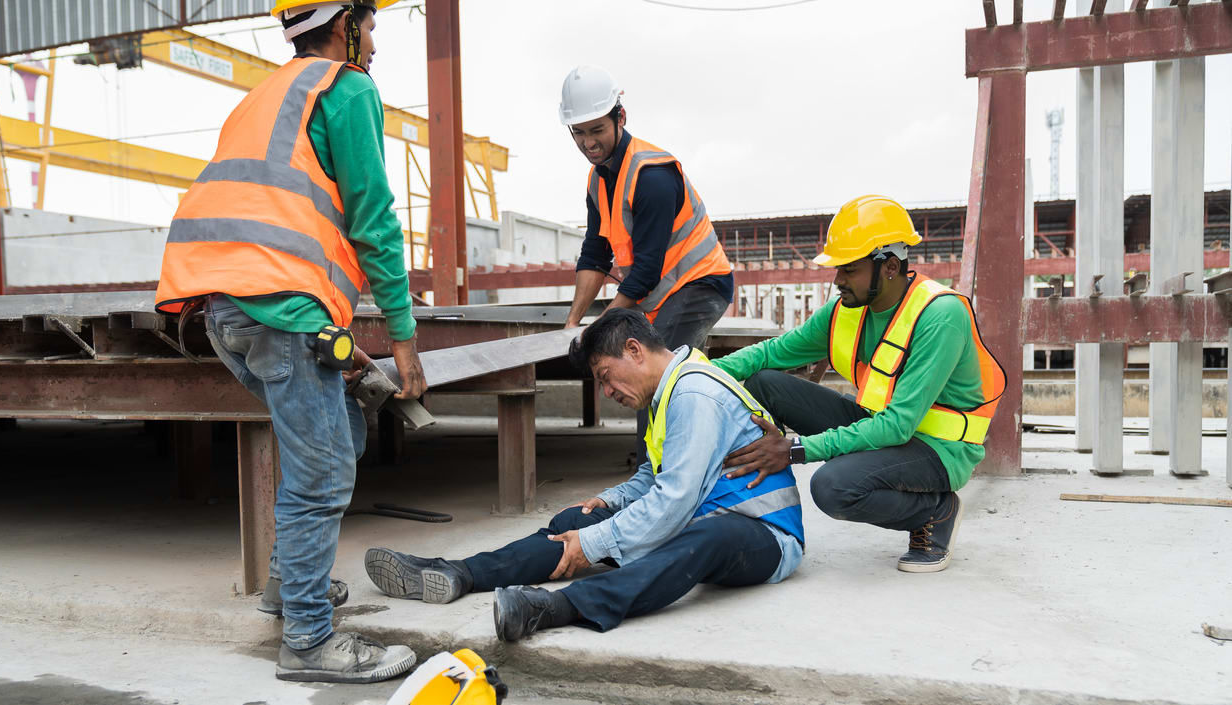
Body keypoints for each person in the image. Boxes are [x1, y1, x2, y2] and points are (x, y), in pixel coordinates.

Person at [154, 0, 426, 683]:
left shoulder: (262, 98)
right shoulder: (346, 86)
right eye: (372, 26)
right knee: (324, 469)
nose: (376, 45)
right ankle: (307, 637)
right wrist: (404, 341)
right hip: (279, 310)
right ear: (345, 26)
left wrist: (335, 340)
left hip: (226, 313)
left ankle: (287, 586)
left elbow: (270, 217)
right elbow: (374, 219)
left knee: (329, 436)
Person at [363, 308, 804, 641]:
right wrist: (607, 503)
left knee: (702, 540)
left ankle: (557, 607)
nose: (608, 392)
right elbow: (654, 478)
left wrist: (596, 543)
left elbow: (675, 499)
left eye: (607, 377)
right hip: (701, 515)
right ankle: (459, 572)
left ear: (634, 350)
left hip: (761, 534)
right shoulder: (665, 396)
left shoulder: (694, 392)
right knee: (575, 522)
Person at [712, 195, 1005, 573]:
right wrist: (698, 369)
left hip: (937, 450)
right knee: (763, 382)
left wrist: (796, 449)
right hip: (882, 428)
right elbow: (771, 353)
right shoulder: (847, 310)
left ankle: (936, 510)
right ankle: (748, 494)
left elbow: (899, 425)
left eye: (848, 269)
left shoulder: (940, 317)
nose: (837, 280)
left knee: (832, 487)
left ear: (890, 267)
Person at [557, 65, 735, 466]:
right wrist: (573, 323)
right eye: (579, 133)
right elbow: (595, 254)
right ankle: (674, 463)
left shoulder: (651, 173)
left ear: (620, 117)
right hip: (663, 292)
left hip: (701, 284)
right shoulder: (597, 179)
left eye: (596, 129)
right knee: (667, 374)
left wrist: (598, 329)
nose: (588, 142)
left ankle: (654, 475)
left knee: (649, 370)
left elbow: (645, 271)